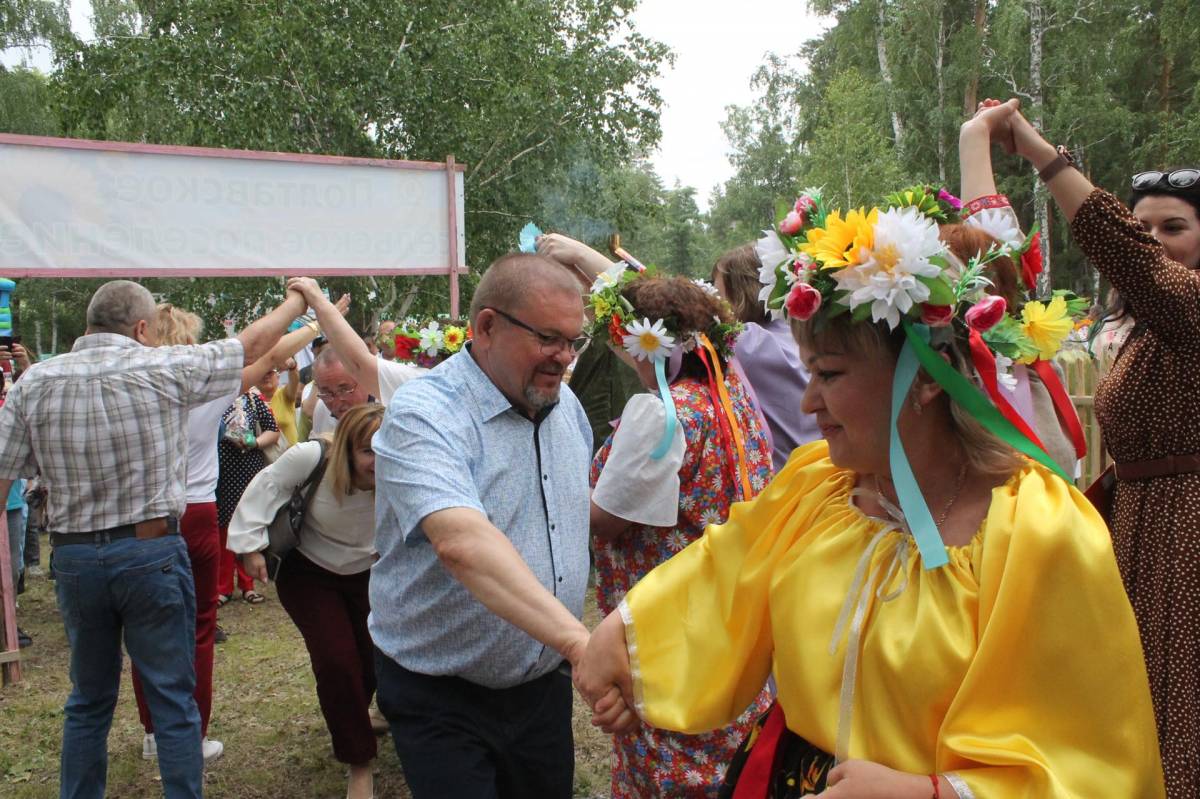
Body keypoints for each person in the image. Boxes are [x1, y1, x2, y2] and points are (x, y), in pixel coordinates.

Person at [574, 187, 1164, 797]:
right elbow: (720, 579)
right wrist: (623, 648)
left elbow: (1087, 752)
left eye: (829, 374)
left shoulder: (1038, 529)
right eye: (809, 372)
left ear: (927, 378)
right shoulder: (817, 490)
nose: (808, 402)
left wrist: (929, 792)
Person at [0, 278, 310, 799]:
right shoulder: (163, 368)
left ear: (89, 324)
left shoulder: (35, 381)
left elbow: (5, 471)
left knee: (87, 699)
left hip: (74, 555)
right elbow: (252, 346)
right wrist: (300, 301)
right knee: (172, 696)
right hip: (150, 549)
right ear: (142, 328)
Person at [970, 97, 1200, 798]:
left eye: (1174, 227)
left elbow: (1136, 262)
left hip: (1186, 542)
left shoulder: (1193, 310)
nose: (1154, 241)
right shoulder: (1148, 330)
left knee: (1177, 709)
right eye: (1145, 226)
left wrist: (1040, 153)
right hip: (1144, 532)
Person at [370, 253, 593, 798]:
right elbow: (461, 542)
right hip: (440, 693)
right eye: (548, 338)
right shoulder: (425, 412)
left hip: (542, 686)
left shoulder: (566, 408)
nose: (565, 358)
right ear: (487, 326)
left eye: (574, 341)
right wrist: (577, 641)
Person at [586, 272, 773, 796]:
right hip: (722, 618)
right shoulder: (732, 399)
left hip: (664, 623)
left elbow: (605, 518)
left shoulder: (663, 415)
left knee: (671, 755)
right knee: (726, 743)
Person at [130, 302, 328, 764]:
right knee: (199, 626)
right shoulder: (208, 385)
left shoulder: (132, 381)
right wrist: (316, 322)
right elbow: (271, 353)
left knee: (146, 627)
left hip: (144, 514)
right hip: (197, 509)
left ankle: (154, 731)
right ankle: (191, 733)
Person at [229, 403, 384, 799]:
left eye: (385, 448)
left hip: (368, 574)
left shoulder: (402, 470)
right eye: (368, 451)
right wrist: (250, 547)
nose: (378, 460)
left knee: (372, 661)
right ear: (347, 449)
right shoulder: (312, 457)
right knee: (337, 662)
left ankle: (354, 713)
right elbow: (266, 488)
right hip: (310, 573)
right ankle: (359, 761)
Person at [714, 244, 820, 470]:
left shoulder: (745, 342)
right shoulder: (796, 330)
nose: (715, 305)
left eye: (718, 295)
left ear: (740, 293)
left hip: (787, 475)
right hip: (823, 465)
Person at [286, 280, 422, 428]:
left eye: (344, 389)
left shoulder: (399, 392)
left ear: (363, 379)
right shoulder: (321, 411)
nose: (337, 401)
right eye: (326, 393)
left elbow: (359, 359)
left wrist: (319, 301)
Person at [215, 383, 279, 605]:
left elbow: (273, 430)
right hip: (221, 471)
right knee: (222, 528)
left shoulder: (252, 399)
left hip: (249, 470)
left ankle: (247, 585)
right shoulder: (213, 397)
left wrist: (255, 442)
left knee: (247, 522)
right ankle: (222, 587)